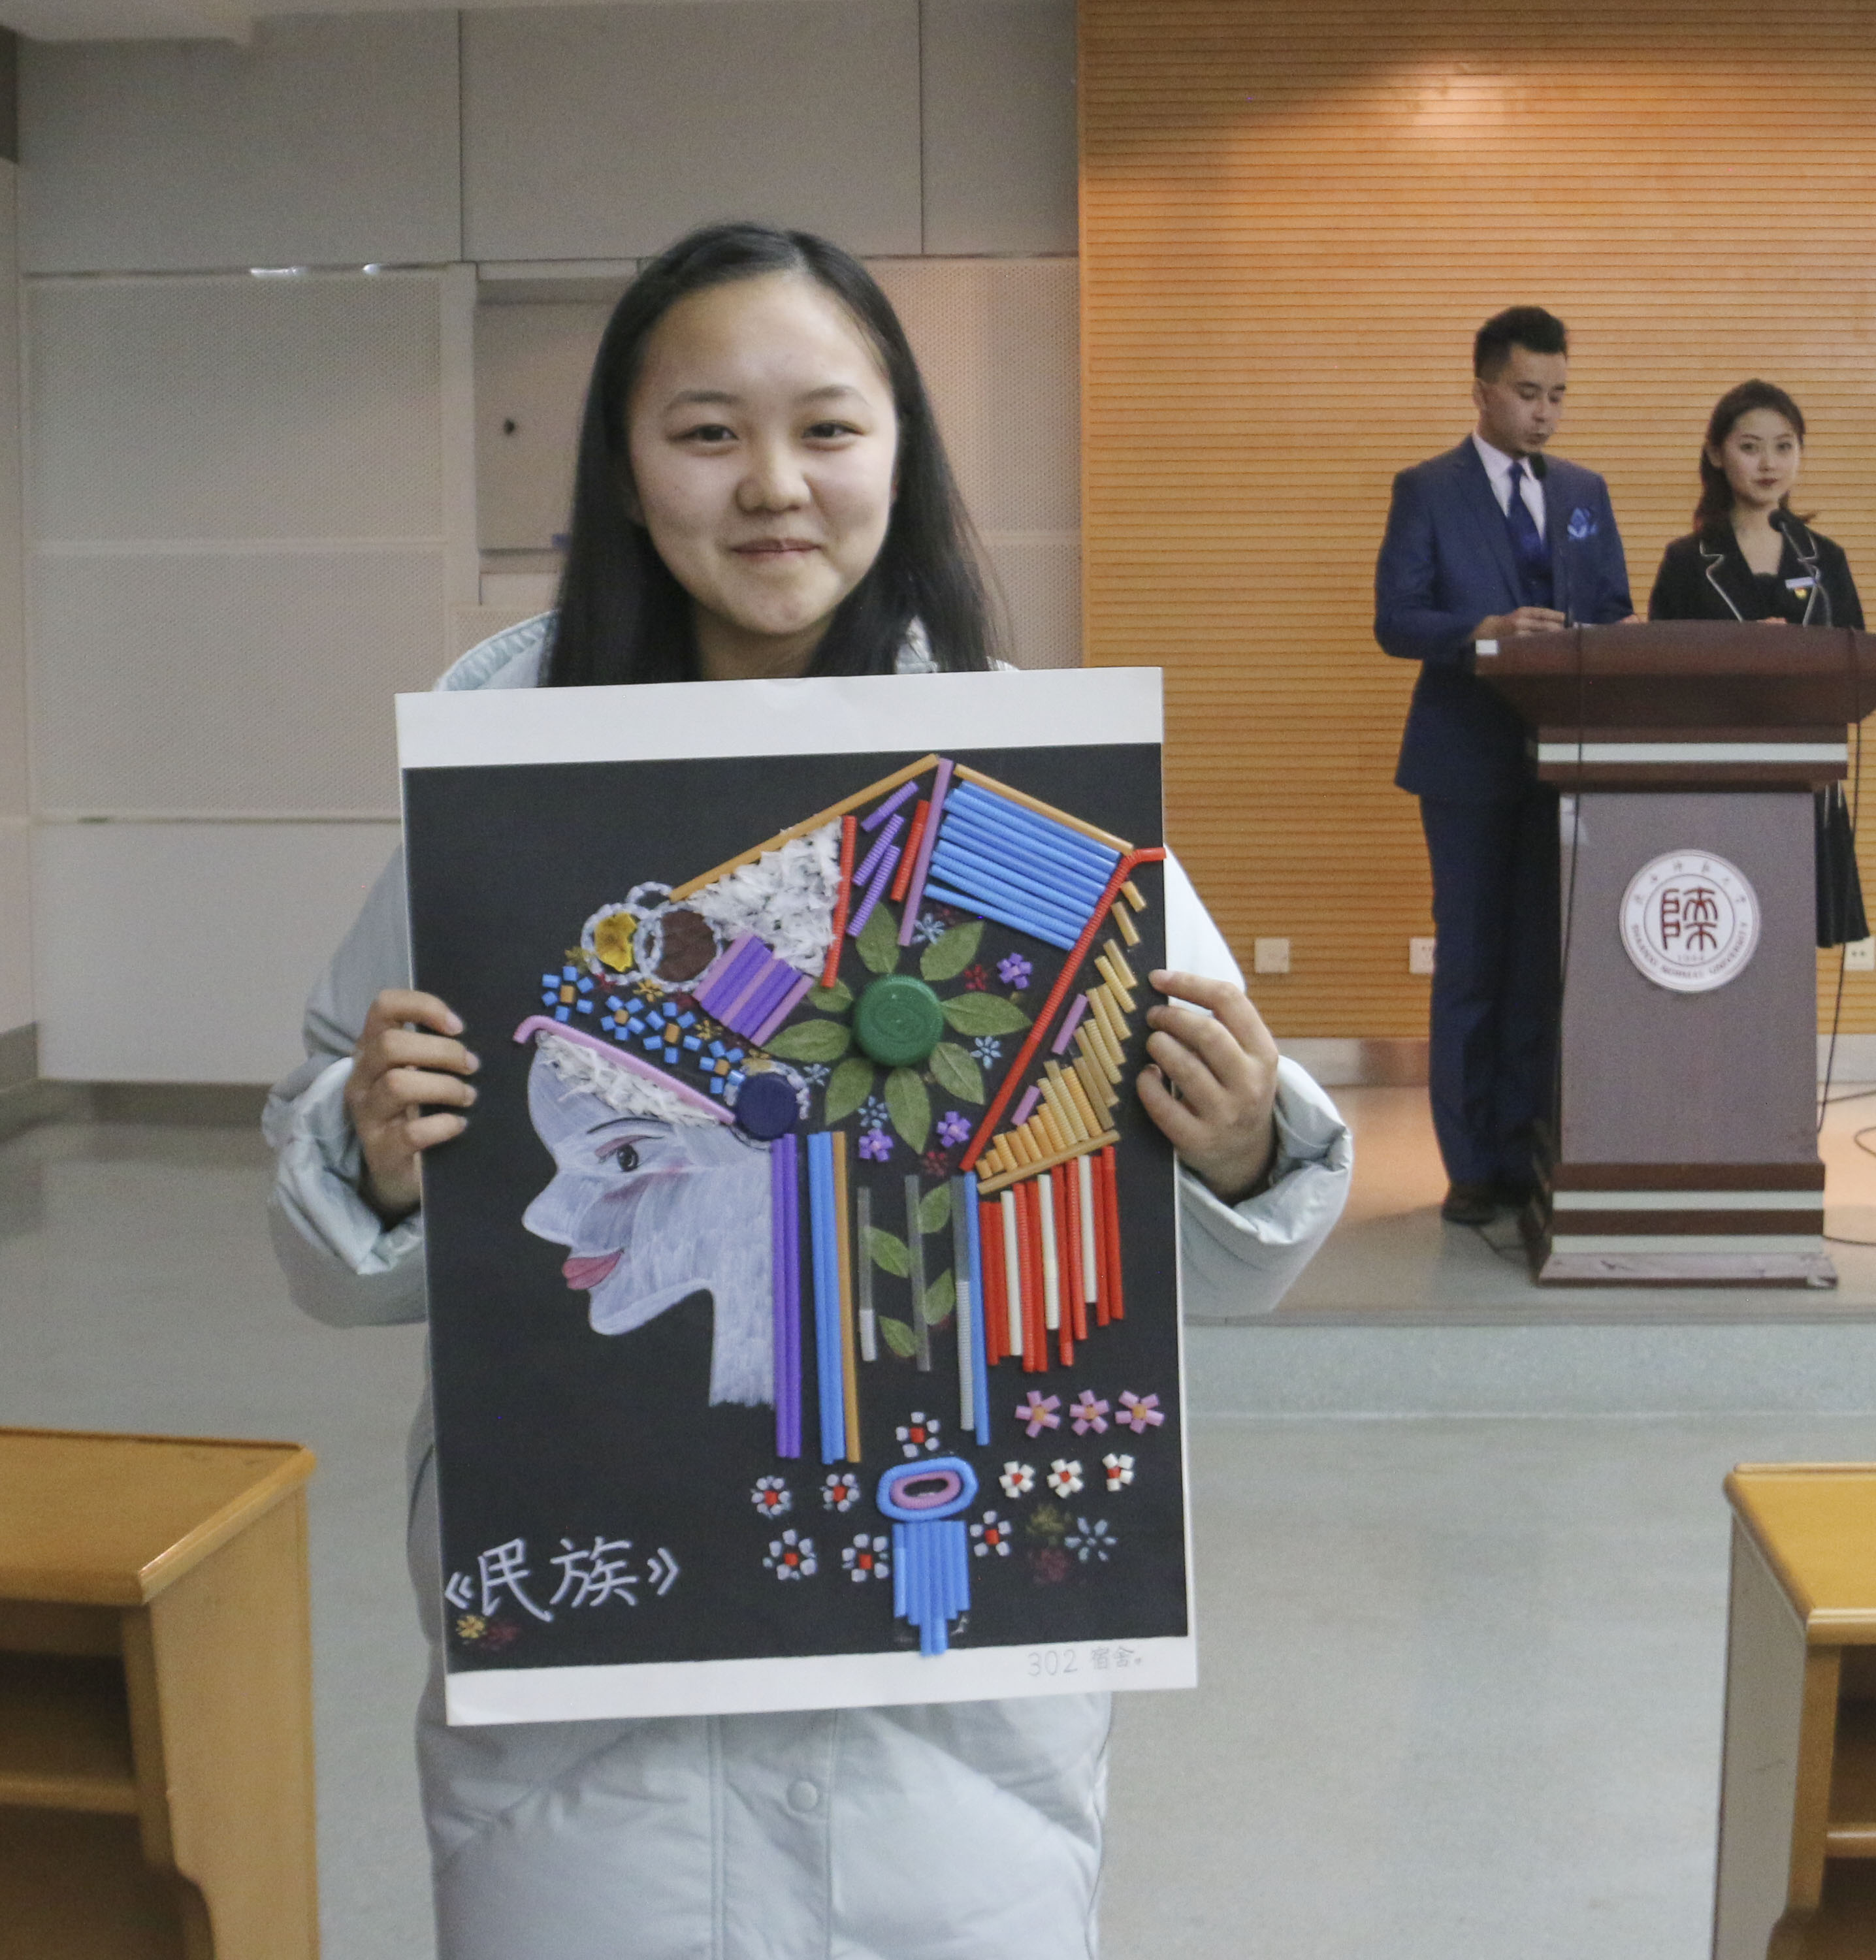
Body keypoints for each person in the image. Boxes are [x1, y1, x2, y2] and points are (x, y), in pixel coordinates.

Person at [265, 221, 1353, 1960]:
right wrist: (371, 1160)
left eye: (829, 428)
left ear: (901, 454)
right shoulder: (498, 794)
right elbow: (343, 1245)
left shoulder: (1031, 799)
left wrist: (1238, 1149)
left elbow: (1202, 1262)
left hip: (950, 1731)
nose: (773, 485)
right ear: (627, 469)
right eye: (707, 433)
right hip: (585, 1702)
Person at [1373, 305, 1634, 1227]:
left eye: (1558, 395)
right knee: (1473, 964)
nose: (1545, 413)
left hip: (1562, 759)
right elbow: (1396, 620)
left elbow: (1614, 609)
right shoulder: (1427, 489)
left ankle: (1529, 1149)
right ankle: (1473, 1165)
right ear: (1483, 390)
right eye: (1528, 393)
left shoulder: (1585, 492)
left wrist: (1605, 636)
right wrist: (1483, 630)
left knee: (1538, 966)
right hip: (1465, 760)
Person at [1647, 378, 1868, 946]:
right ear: (1717, 454)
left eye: (1784, 446)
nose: (1769, 464)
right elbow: (1660, 675)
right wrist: (1742, 650)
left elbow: (1857, 661)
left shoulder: (1825, 560)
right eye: (1750, 447)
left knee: (1793, 942)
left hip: (1807, 773)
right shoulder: (1688, 561)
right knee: (1721, 935)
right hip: (1713, 777)